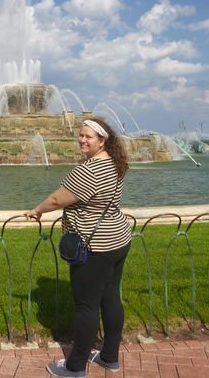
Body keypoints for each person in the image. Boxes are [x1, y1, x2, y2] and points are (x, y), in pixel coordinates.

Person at [24, 117, 131, 377]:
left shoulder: (89, 170)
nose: (82, 139)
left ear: (102, 141)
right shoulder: (114, 163)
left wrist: (37, 210)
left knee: (86, 306)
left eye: (88, 136)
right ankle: (109, 357)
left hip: (95, 247)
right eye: (81, 135)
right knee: (111, 298)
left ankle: (75, 366)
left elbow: (56, 199)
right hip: (118, 239)